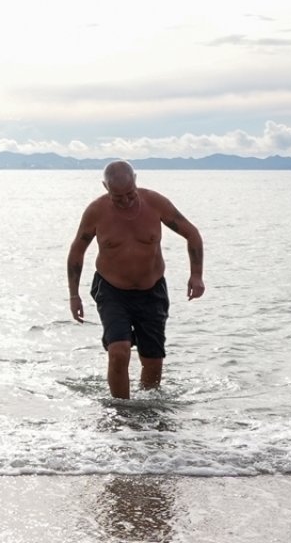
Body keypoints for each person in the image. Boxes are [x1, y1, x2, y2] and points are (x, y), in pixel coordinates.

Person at [67, 160, 205, 399]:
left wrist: (196, 275)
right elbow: (77, 251)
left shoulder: (155, 203)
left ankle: (148, 414)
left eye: (130, 194)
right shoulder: (96, 212)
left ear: (136, 181)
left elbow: (191, 234)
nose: (126, 201)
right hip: (111, 290)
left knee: (152, 360)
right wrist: (74, 295)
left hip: (151, 290)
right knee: (119, 351)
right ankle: (120, 412)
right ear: (105, 187)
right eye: (117, 197)